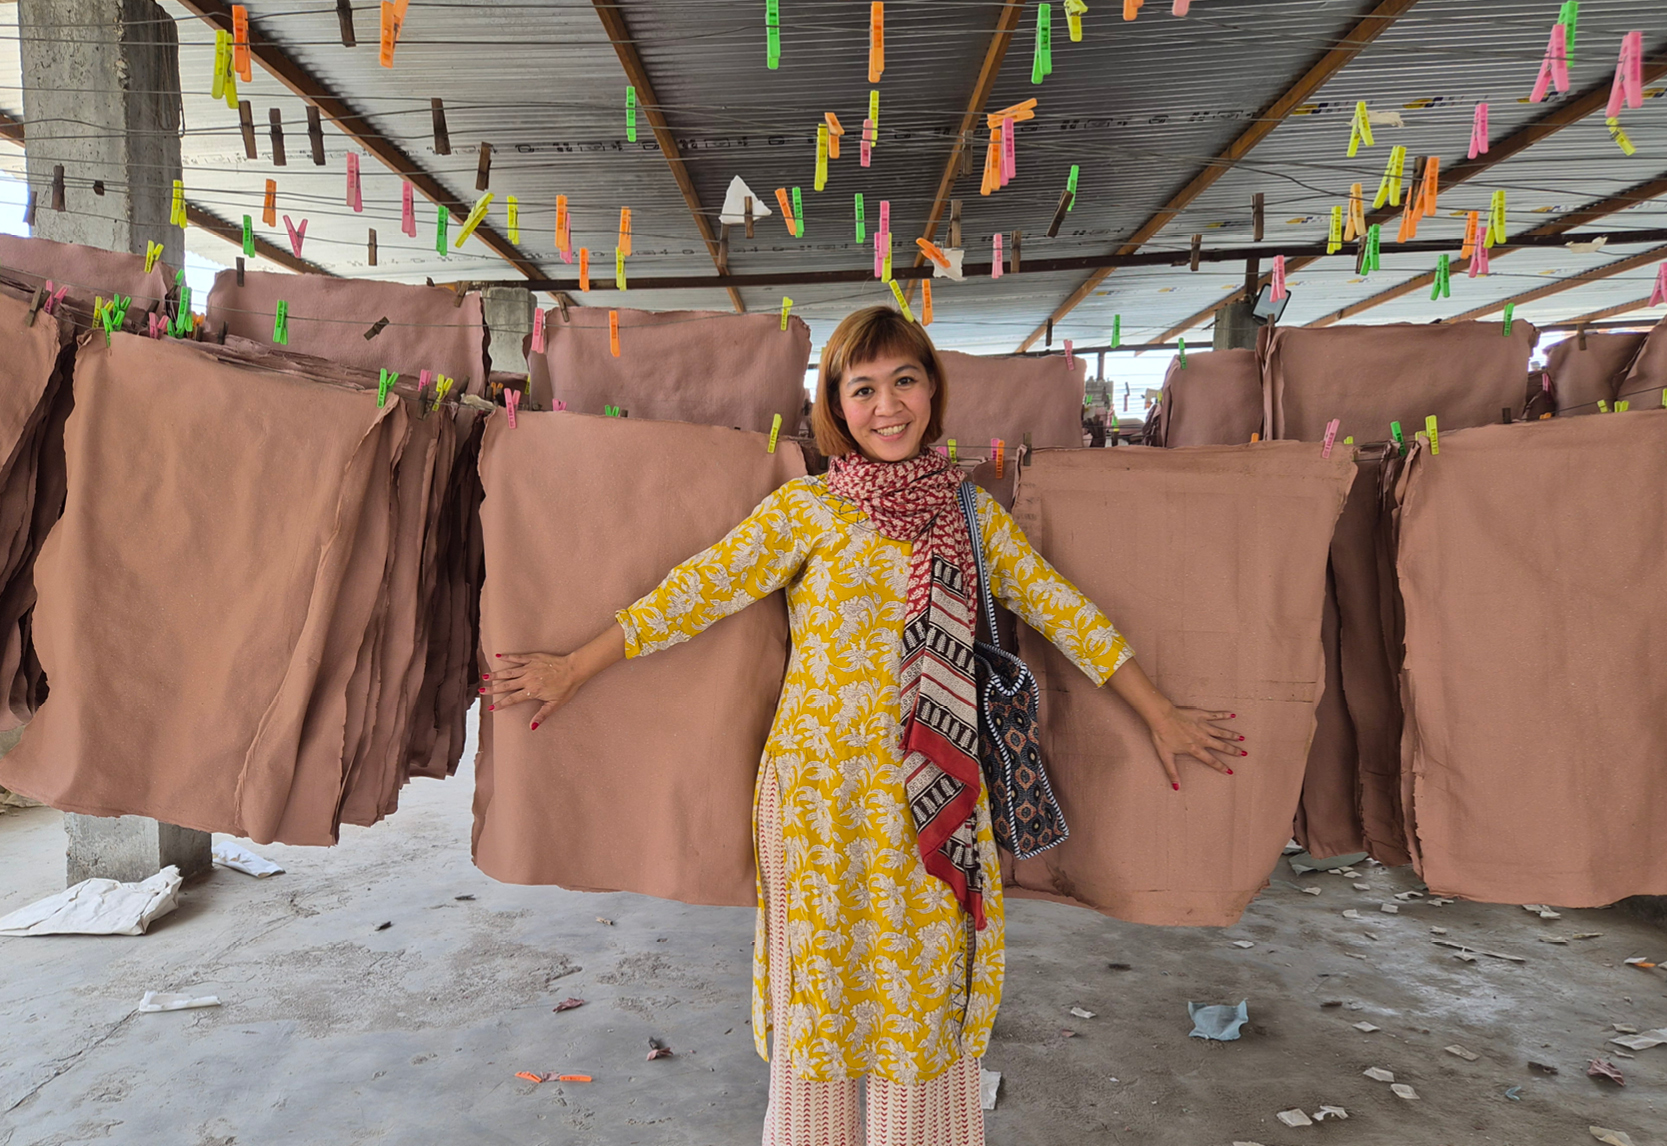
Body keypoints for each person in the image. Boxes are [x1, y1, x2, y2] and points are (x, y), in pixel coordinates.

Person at [482, 306, 1246, 1146]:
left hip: (933, 800)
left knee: (920, 997)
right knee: (821, 998)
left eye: (904, 381)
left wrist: (1158, 712)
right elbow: (692, 594)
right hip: (818, 800)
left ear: (931, 389)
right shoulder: (807, 510)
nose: (887, 406)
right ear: (837, 407)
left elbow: (1065, 613)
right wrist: (573, 666)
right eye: (863, 388)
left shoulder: (970, 516)